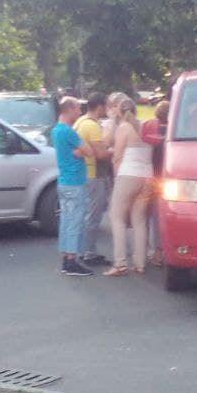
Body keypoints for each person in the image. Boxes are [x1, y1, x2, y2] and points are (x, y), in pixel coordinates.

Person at [104, 95, 153, 277]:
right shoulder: (145, 126)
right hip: (147, 176)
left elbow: (117, 156)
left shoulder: (124, 128)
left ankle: (120, 263)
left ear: (119, 111)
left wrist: (116, 173)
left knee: (117, 217)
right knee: (139, 220)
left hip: (128, 175)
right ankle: (140, 263)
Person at [50, 97, 93, 276]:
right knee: (75, 221)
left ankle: (66, 257)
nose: (80, 112)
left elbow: (77, 152)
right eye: (77, 108)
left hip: (64, 181)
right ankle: (71, 260)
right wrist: (80, 152)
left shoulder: (56, 130)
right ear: (69, 109)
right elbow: (89, 151)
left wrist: (78, 152)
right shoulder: (69, 132)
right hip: (75, 182)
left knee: (67, 221)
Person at [75, 93, 113, 266]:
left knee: (86, 213)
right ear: (99, 107)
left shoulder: (80, 122)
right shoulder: (92, 126)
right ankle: (89, 252)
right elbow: (100, 155)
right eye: (105, 106)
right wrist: (115, 150)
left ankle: (81, 249)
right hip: (94, 174)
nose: (106, 110)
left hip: (83, 173)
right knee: (94, 215)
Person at [141, 100, 170, 268]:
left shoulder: (152, 131)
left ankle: (157, 253)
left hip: (155, 178)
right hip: (170, 179)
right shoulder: (175, 132)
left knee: (154, 218)